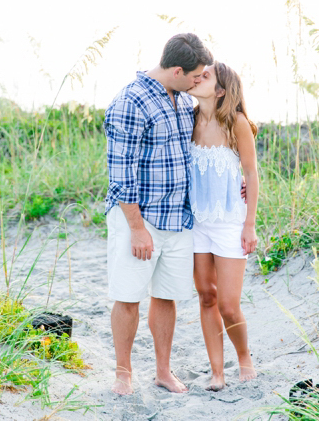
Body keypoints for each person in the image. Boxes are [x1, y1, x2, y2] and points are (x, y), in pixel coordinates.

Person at [104, 33, 213, 395]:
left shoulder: (182, 100)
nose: (200, 82)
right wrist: (136, 228)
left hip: (177, 217)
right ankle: (124, 374)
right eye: (197, 76)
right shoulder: (130, 101)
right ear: (178, 70)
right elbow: (120, 173)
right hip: (140, 218)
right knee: (129, 295)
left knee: (167, 296)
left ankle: (163, 371)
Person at [187, 61, 259, 391]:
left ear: (220, 89)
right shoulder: (186, 120)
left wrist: (249, 225)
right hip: (197, 223)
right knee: (206, 296)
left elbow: (251, 174)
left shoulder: (237, 124)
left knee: (228, 305)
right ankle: (217, 372)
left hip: (230, 223)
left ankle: (243, 358)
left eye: (205, 76)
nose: (196, 78)